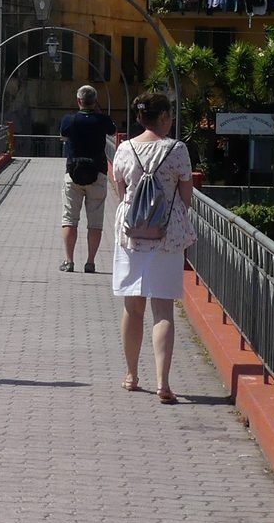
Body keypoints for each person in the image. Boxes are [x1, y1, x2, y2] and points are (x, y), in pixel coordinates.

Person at [107, 90, 196, 404]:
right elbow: (186, 199)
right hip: (166, 236)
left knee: (133, 308)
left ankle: (131, 376)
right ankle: (163, 383)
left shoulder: (125, 148)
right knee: (163, 311)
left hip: (131, 235)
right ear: (162, 117)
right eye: (170, 115)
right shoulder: (177, 150)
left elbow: (121, 192)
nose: (171, 120)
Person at [57, 84, 117, 273]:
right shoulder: (102, 120)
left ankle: (69, 261)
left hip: (73, 174)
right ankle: (90, 262)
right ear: (94, 101)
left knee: (69, 219)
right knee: (95, 222)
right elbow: (113, 131)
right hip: (97, 174)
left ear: (78, 101)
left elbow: (63, 134)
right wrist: (98, 112)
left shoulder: (70, 120)